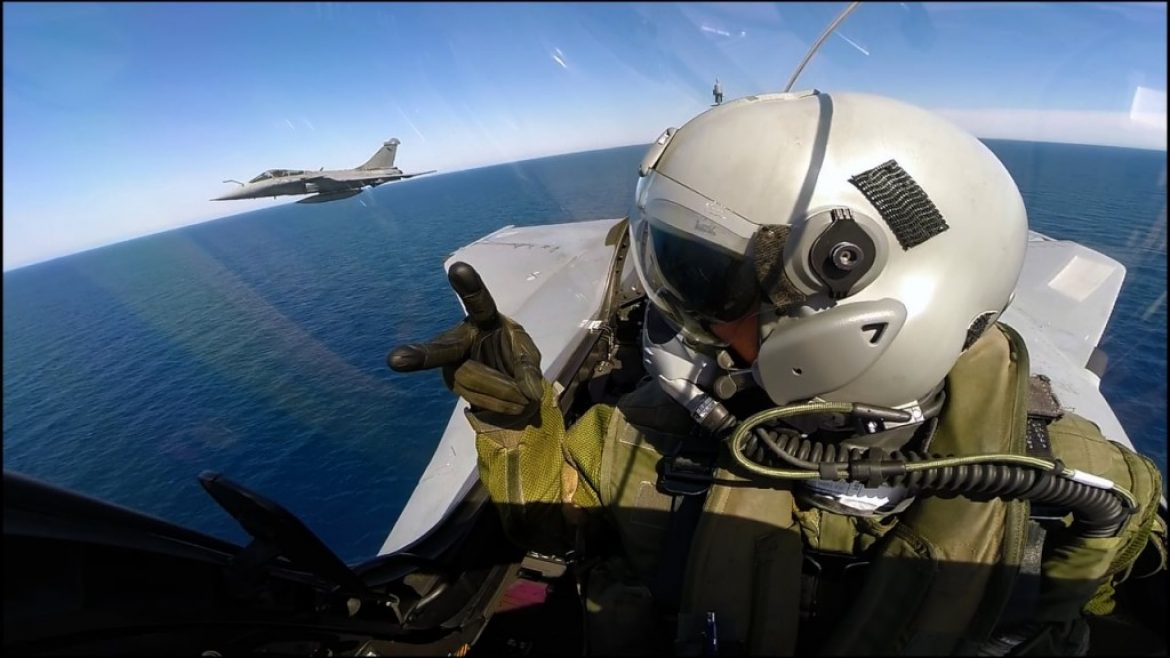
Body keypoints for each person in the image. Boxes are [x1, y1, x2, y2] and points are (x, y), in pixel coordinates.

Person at [389, 91, 1165, 655]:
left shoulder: (1084, 487)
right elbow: (545, 524)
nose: (681, 318)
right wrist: (517, 424)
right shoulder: (649, 440)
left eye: (707, 282)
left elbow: (1088, 597)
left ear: (864, 317)